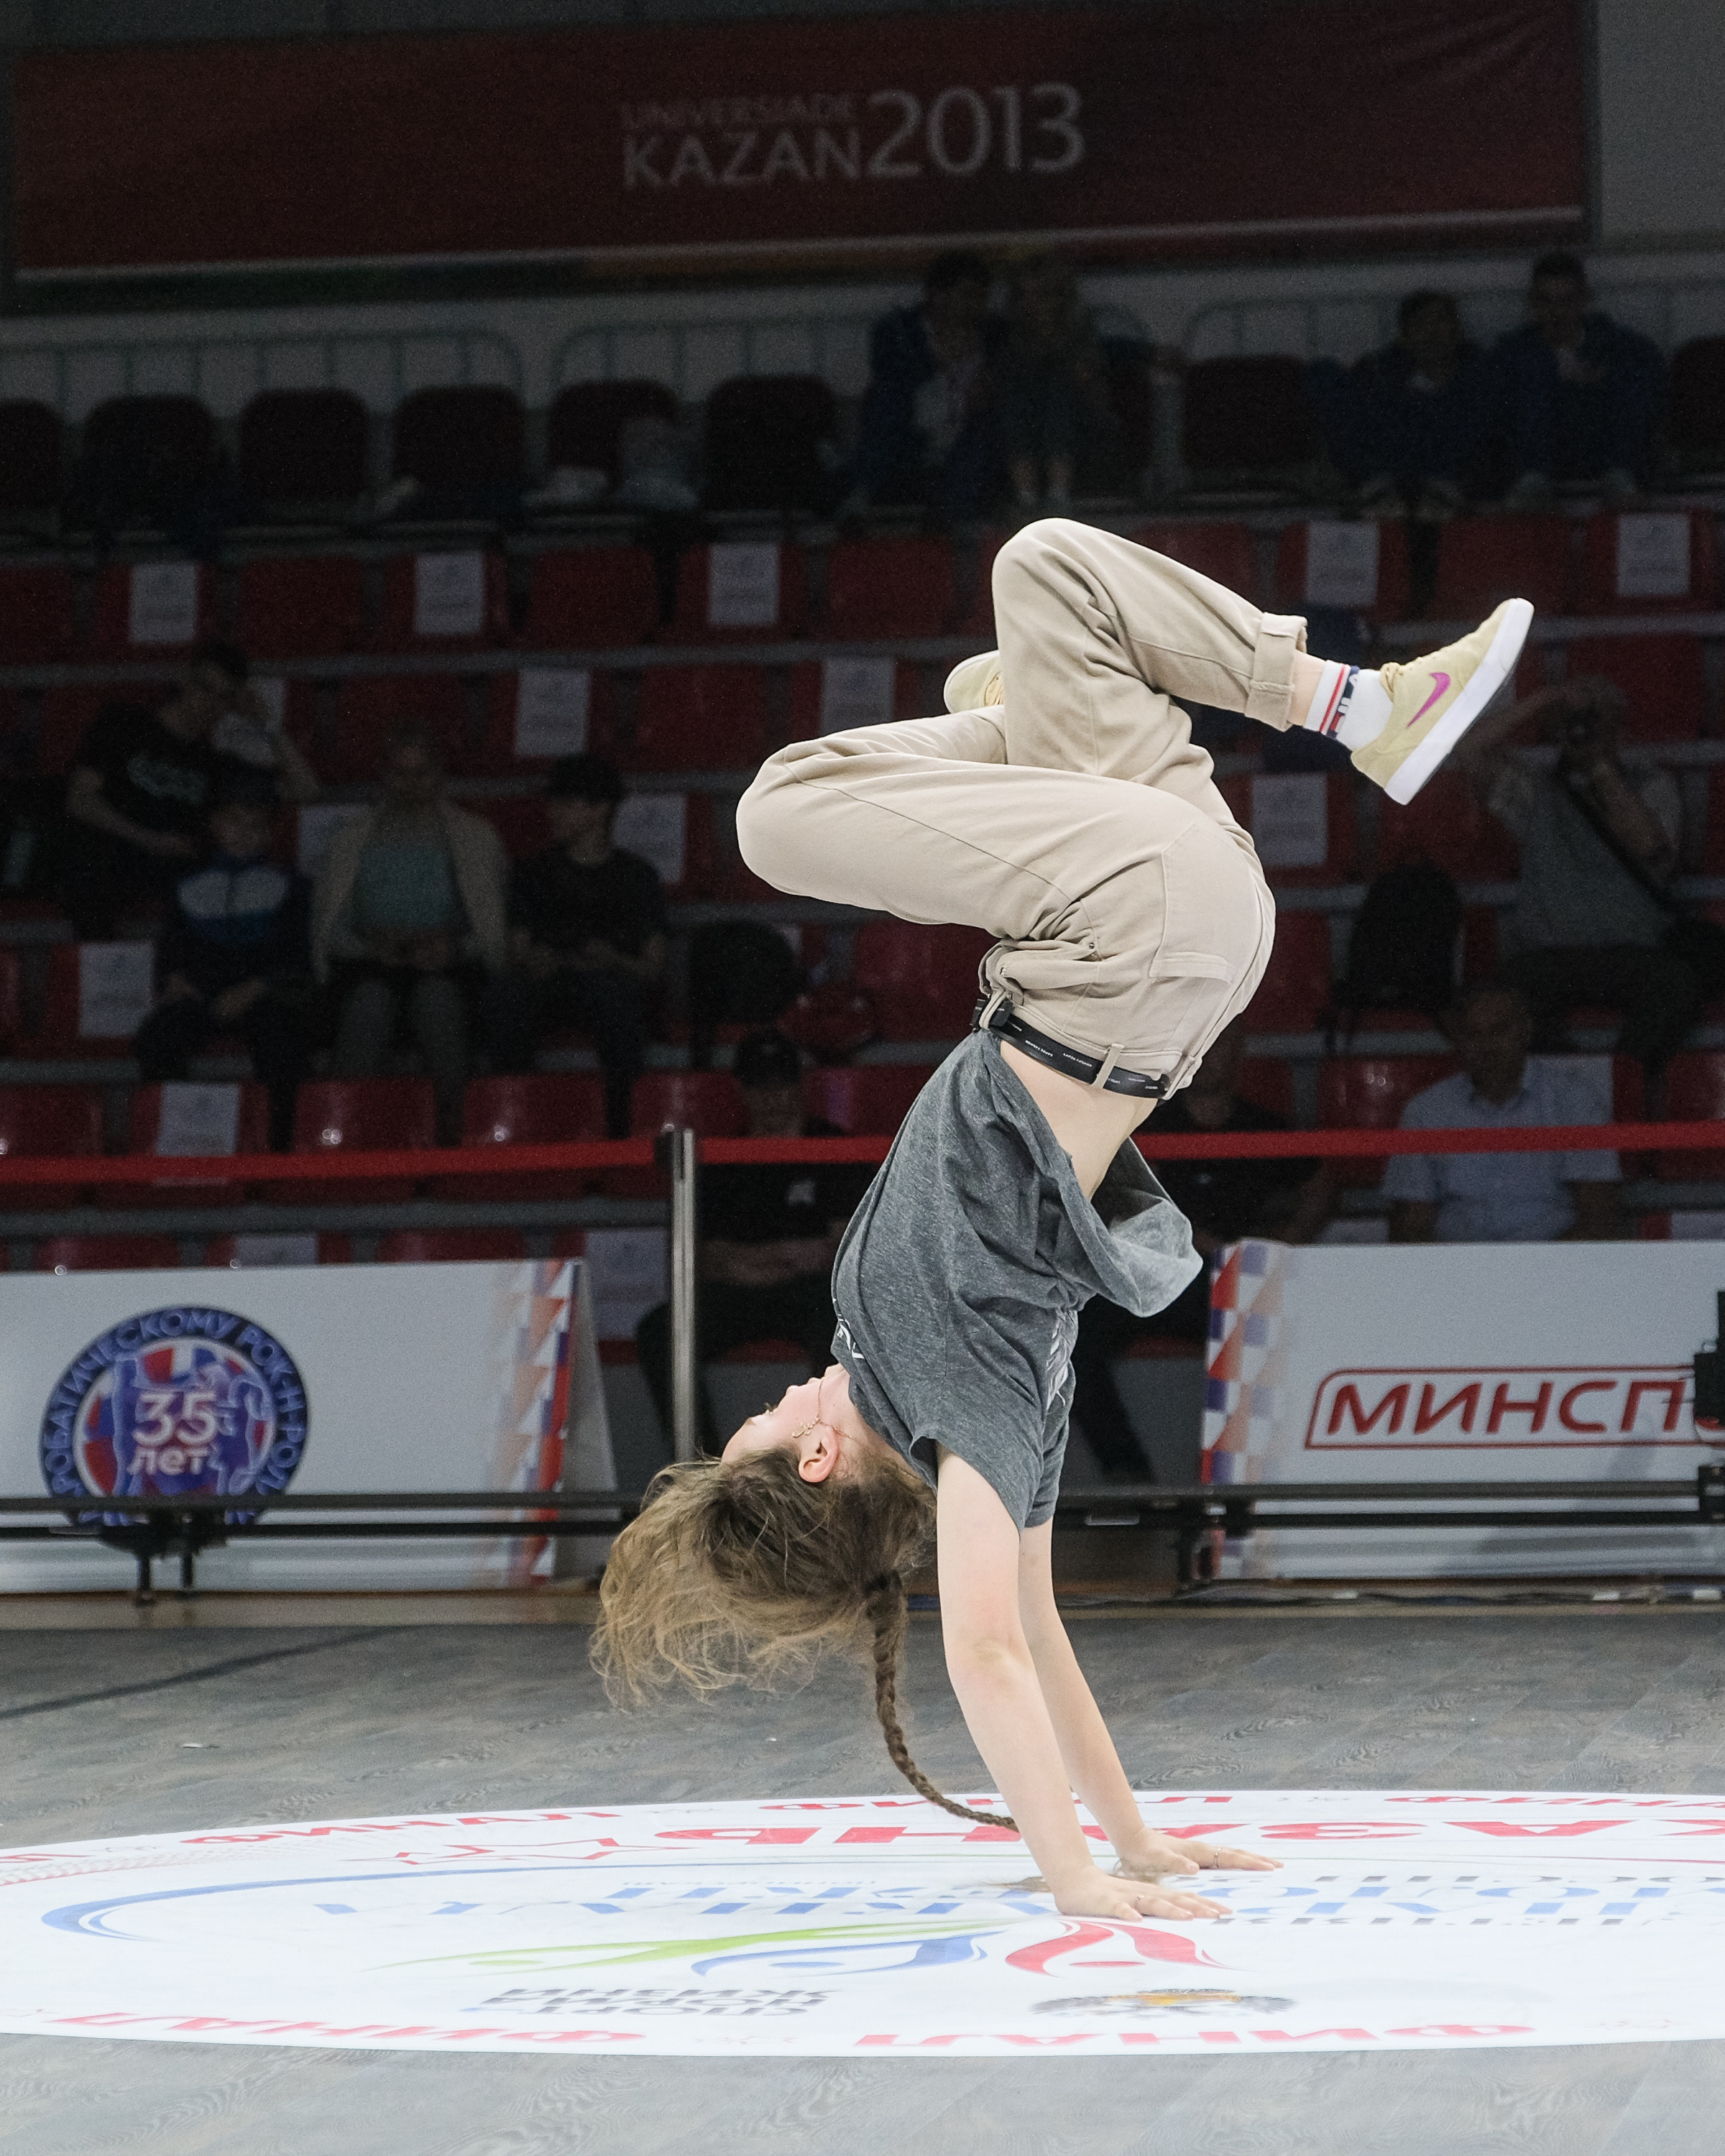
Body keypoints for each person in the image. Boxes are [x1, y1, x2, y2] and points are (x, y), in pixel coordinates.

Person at [594, 515, 1531, 1925]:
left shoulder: (923, 1379)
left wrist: (1140, 1843)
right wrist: (1080, 1878)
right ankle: (1050, 720)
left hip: (1164, 936)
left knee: (1048, 582)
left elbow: (1034, 1627)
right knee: (776, 811)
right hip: (1128, 940)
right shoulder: (961, 1397)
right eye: (777, 1420)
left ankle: (1359, 707)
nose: (787, 1389)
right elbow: (990, 1648)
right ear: (819, 1462)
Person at [1071, 1018, 1332, 1475]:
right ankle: (1129, 1476)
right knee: (1077, 1340)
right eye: (1202, 1047)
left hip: (1235, 1282)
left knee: (1278, 1343)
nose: (1211, 1057)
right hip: (1156, 1277)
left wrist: (1276, 1250)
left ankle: (1224, 1487)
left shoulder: (1261, 1126)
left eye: (1222, 1045)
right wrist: (1179, 1236)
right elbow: (1102, 1194)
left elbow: (1324, 1184)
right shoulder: (1148, 1125)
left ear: (1239, 1053)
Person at [635, 1029, 872, 1455]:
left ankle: (832, 1455)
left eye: (781, 1083)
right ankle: (698, 1466)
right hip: (741, 1291)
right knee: (659, 1330)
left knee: (843, 1322)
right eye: (761, 1085)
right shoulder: (726, 1157)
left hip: (812, 1292)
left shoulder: (832, 1146)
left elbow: (839, 1248)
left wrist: (766, 1259)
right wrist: (779, 1256)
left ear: (797, 1085)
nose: (772, 1097)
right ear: (743, 1090)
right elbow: (708, 1258)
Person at [1454, 675, 1698, 1074]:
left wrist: (1599, 767)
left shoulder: (1652, 784)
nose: (1582, 728)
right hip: (1550, 955)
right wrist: (1546, 700)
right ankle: (1568, 1085)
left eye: (1594, 720)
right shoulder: (1538, 789)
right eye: (1572, 721)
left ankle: (1624, 1080)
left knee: (1676, 985)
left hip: (1631, 950)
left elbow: (1648, 847)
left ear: (1619, 729)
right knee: (1508, 995)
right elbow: (1468, 749)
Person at [311, 722, 507, 1143]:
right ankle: (343, 1131)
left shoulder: (476, 838)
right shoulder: (349, 841)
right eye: (400, 773)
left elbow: (494, 928)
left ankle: (457, 1134)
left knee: (438, 1000)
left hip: (451, 967)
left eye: (421, 773)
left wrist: (454, 948)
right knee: (369, 1003)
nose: (411, 784)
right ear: (384, 775)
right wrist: (369, 946)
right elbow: (331, 928)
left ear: (439, 775)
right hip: (368, 965)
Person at [60, 639, 316, 939]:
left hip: (171, 874)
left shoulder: (215, 764)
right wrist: (150, 839)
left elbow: (306, 789)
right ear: (186, 678)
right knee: (88, 873)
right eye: (205, 688)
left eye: (224, 697)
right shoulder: (124, 723)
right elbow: (79, 800)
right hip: (110, 856)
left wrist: (267, 722)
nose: (209, 703)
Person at [481, 753, 667, 1138]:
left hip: (611, 986)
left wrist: (612, 959)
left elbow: (652, 966)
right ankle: (517, 1122)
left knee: (617, 1003)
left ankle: (621, 1132)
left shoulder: (636, 877)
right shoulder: (533, 872)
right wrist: (537, 960)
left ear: (601, 809)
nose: (553, 814)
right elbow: (516, 950)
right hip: (547, 986)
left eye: (566, 803)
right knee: (505, 1000)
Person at [133, 770, 314, 1151]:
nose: (244, 832)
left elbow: (298, 954)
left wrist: (256, 988)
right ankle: (181, 1140)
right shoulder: (187, 884)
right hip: (202, 992)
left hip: (262, 993)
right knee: (156, 1037)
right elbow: (172, 948)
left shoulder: (291, 885)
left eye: (256, 826)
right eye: (234, 822)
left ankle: (278, 1146)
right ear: (216, 824)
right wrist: (175, 979)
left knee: (283, 1044)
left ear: (269, 833)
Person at [1384, 980, 1621, 1243]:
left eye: (1498, 1032)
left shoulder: (1575, 1101)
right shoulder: (1426, 1110)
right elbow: (1412, 1224)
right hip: (1457, 1271)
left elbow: (1599, 1216)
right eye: (1472, 1035)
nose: (1487, 1046)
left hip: (1553, 1268)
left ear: (1525, 1032)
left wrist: (1537, 1272)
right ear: (1457, 1041)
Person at [846, 251, 1007, 524]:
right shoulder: (899, 330)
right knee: (885, 402)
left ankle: (952, 522)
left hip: (966, 439)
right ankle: (860, 496)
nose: (975, 306)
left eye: (981, 297)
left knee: (987, 430)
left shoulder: (994, 335)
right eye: (967, 295)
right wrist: (940, 358)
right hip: (912, 436)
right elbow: (894, 378)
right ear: (937, 295)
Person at [1307, 290, 1499, 519]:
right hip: (1390, 478)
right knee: (1323, 373)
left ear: (1458, 330)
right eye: (1419, 326)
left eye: (1440, 321)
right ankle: (1379, 488)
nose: (1432, 334)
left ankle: (1439, 489)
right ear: (1404, 338)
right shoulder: (1381, 376)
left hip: (1454, 481)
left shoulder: (1483, 373)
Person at [1496, 252, 1664, 507]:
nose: (1556, 311)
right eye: (1545, 301)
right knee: (1529, 369)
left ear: (1585, 299)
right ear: (1532, 302)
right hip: (1543, 453)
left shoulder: (1624, 348)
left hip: (1604, 446)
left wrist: (1596, 387)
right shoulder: (1512, 353)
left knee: (1632, 363)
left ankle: (1619, 474)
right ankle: (1533, 480)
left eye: (1567, 300)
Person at [997, 252, 1121, 515]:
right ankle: (1027, 497)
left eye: (1043, 295)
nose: (1034, 305)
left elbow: (1089, 384)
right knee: (1020, 395)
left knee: (1058, 393)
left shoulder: (1081, 332)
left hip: (1082, 433)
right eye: (1025, 296)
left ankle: (1058, 496)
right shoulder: (1006, 337)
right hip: (1024, 432)